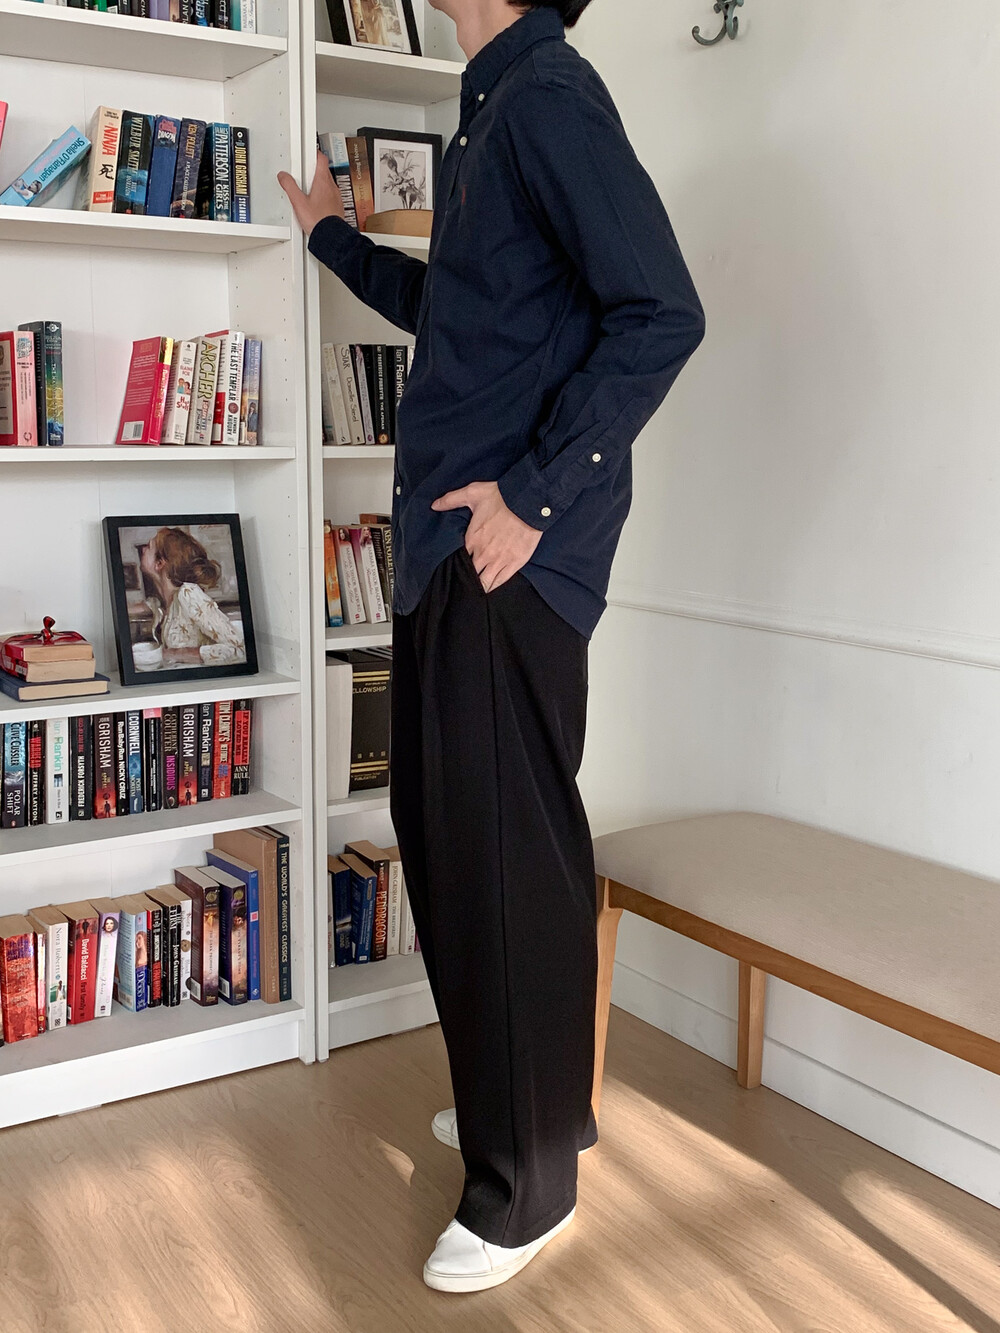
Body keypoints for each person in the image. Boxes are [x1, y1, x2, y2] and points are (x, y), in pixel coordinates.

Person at [279, 0, 705, 1294]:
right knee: (456, 841)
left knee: (507, 856)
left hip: (508, 555)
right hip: (447, 553)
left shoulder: (550, 97)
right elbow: (457, 313)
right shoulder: (492, 116)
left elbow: (662, 312)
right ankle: (521, 1103)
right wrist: (333, 239)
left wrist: (536, 494)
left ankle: (530, 1184)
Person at [138, 527, 245, 669]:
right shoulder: (163, 603)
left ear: (159, 563)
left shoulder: (188, 593)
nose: (143, 549)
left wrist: (171, 654)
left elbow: (238, 649)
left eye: (148, 547)